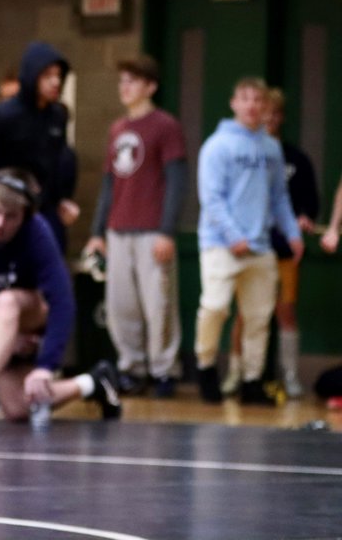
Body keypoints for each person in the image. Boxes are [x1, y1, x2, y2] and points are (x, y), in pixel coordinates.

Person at [0, 169, 122, 430]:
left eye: (10, 217)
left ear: (26, 216)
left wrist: (46, 365)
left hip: (33, 316)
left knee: (6, 301)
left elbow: (62, 302)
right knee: (17, 408)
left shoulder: (37, 233)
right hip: (2, 328)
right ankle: (94, 382)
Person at [82, 55, 188, 398]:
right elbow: (109, 185)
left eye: (132, 81)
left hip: (151, 229)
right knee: (121, 305)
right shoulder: (117, 129)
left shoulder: (165, 126)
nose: (124, 87)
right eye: (122, 81)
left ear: (150, 87)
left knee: (158, 304)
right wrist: (97, 232)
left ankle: (164, 369)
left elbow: (176, 181)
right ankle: (132, 367)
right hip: (118, 229)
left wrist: (167, 230)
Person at [194, 78, 302, 406]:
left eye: (258, 100)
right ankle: (206, 365)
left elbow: (279, 197)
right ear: (234, 103)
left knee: (258, 316)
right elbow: (211, 198)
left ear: (266, 107)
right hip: (221, 245)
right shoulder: (217, 145)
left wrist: (293, 232)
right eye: (245, 98)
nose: (252, 105)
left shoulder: (271, 147)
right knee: (214, 307)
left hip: (261, 246)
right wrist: (232, 235)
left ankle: (253, 380)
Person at [219, 87, 317, 398]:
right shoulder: (241, 152)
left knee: (285, 309)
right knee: (244, 313)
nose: (270, 119)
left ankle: (289, 375)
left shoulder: (295, 158)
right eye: (266, 112)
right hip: (249, 245)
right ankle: (238, 372)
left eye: (276, 114)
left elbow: (305, 203)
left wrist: (301, 222)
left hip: (282, 249)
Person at [0, 42, 80, 252]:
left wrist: (63, 199)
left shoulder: (57, 116)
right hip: (11, 207)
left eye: (58, 75)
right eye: (47, 75)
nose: (55, 82)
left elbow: (60, 161)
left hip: (47, 209)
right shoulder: (5, 115)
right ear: (32, 76)